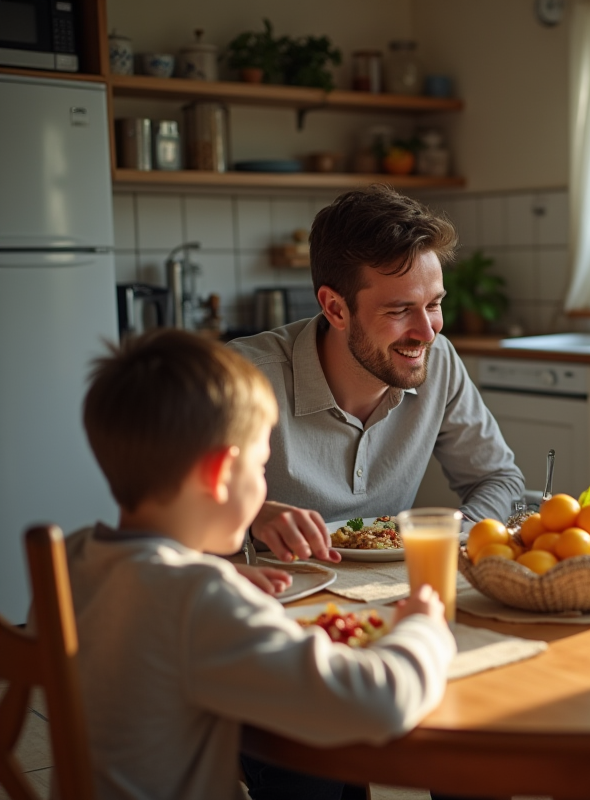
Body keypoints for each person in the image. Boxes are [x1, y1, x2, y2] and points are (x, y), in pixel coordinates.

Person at [68, 330, 456, 800]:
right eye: (258, 468)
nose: (262, 490)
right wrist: (422, 629)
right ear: (218, 474)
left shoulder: (81, 555)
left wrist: (222, 573)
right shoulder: (198, 601)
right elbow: (376, 703)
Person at [229, 186, 524, 564]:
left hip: (389, 592)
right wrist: (251, 517)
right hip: (275, 599)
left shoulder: (439, 361)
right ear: (335, 309)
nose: (427, 331)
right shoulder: (242, 379)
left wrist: (460, 528)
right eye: (400, 310)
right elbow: (158, 509)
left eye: (433, 304)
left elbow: (498, 479)